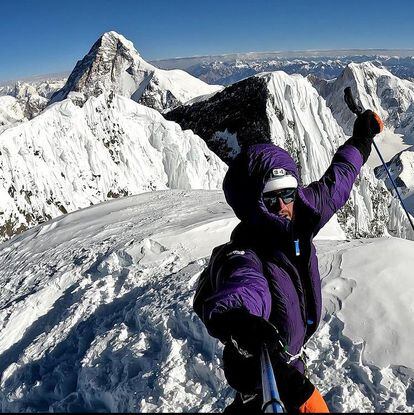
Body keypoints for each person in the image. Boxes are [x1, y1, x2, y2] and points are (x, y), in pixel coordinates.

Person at [193, 110, 383, 413]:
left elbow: (338, 181)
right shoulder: (246, 252)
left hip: (291, 363)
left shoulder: (303, 213)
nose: (283, 206)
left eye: (288, 194)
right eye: (271, 199)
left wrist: (360, 141)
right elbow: (243, 284)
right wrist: (242, 321)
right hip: (266, 373)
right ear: (252, 203)